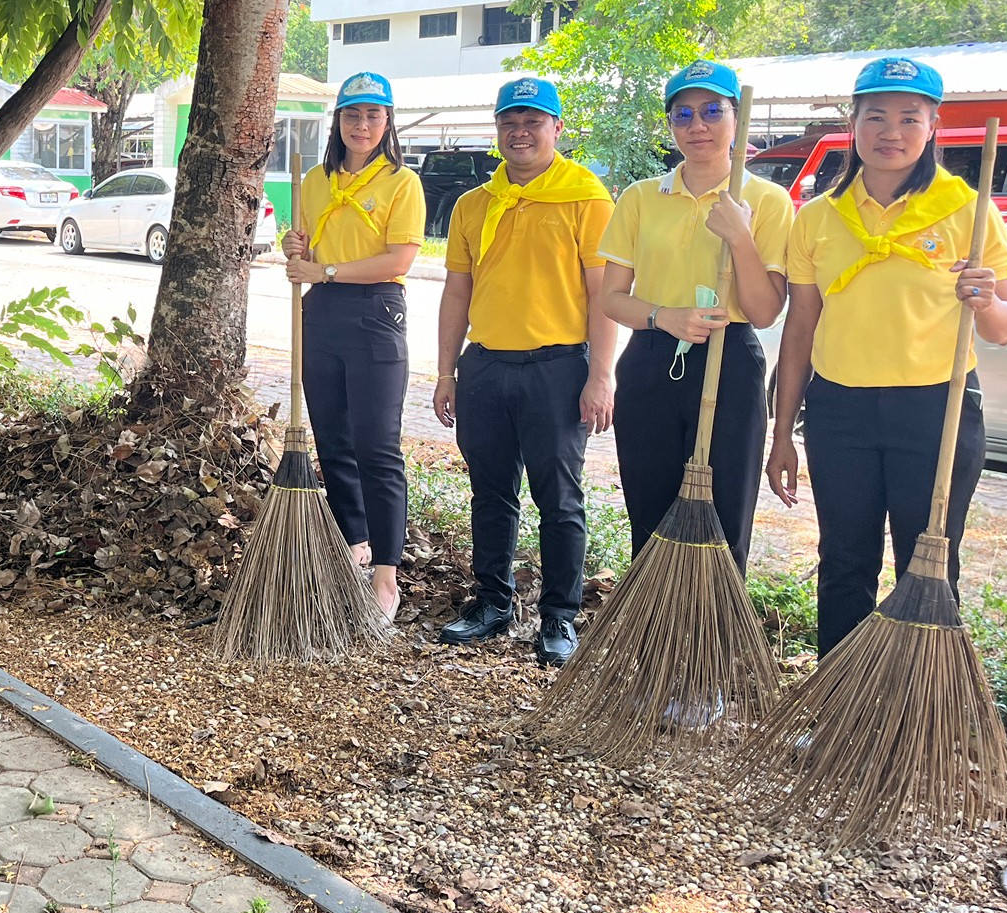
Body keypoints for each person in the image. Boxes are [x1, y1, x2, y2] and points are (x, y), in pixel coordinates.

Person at [767, 57, 1007, 656]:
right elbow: (800, 329)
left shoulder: (970, 209)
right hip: (840, 413)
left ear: (934, 125)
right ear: (852, 124)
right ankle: (839, 712)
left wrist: (985, 302)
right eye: (875, 116)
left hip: (938, 410)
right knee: (843, 563)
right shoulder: (818, 218)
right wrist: (781, 432)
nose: (892, 131)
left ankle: (915, 719)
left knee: (928, 565)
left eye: (910, 117)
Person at [433, 75, 616, 663]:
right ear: (497, 131)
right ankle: (492, 603)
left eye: (534, 121)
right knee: (490, 493)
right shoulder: (474, 204)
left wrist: (601, 375)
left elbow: (602, 296)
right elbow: (456, 293)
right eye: (510, 121)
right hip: (485, 368)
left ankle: (559, 618)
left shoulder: (586, 198)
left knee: (559, 499)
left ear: (556, 128)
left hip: (557, 370)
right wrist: (445, 372)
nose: (520, 131)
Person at [598, 60, 793, 570]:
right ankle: (655, 628)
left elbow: (766, 311)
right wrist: (664, 316)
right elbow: (612, 298)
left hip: (731, 363)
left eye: (712, 111)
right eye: (682, 115)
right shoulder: (641, 197)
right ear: (670, 125)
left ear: (736, 117)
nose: (697, 126)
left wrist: (741, 237)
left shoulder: (767, 201)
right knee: (650, 511)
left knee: (725, 517)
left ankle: (713, 639)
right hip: (651, 360)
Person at [280, 72, 425, 622]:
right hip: (322, 313)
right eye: (352, 114)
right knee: (333, 440)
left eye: (374, 115)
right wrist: (297, 245)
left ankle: (387, 574)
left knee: (377, 446)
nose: (362, 125)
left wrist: (326, 268)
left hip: (375, 313)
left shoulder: (400, 182)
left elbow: (399, 260)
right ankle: (354, 544)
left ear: (388, 123)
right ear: (337, 121)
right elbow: (306, 248)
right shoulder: (316, 180)